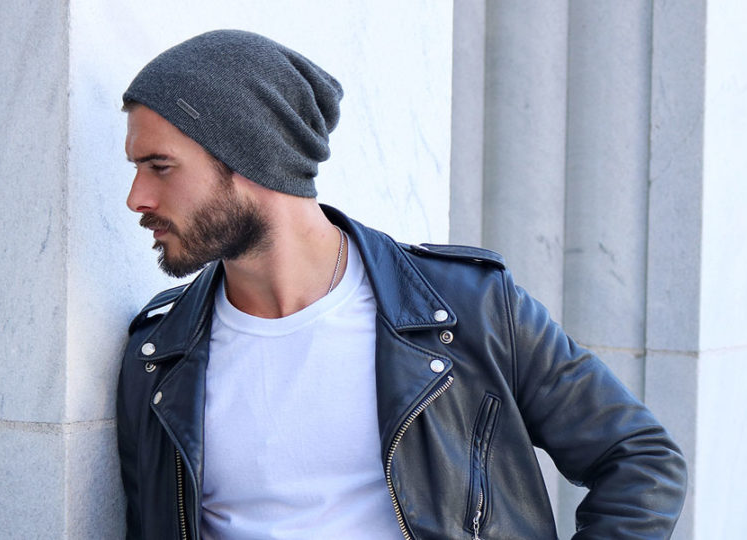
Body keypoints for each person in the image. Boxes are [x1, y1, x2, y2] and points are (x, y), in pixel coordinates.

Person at [116, 29, 687, 539]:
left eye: (160, 166)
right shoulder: (158, 355)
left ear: (250, 155)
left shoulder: (467, 309)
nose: (137, 198)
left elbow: (642, 460)